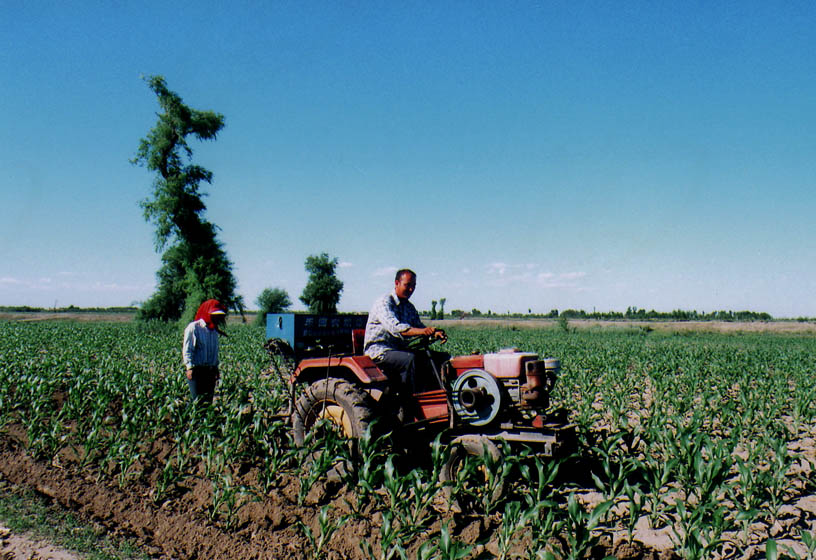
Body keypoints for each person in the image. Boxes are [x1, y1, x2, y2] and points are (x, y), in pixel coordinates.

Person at [364, 269, 448, 393]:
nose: (411, 289)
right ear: (397, 283)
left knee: (439, 358)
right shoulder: (384, 302)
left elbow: (419, 326)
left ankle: (438, 397)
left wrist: (435, 333)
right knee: (410, 360)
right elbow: (396, 328)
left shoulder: (408, 306)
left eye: (413, 286)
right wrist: (423, 331)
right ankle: (409, 404)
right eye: (407, 285)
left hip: (399, 350)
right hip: (379, 351)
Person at [182, 299, 227, 403]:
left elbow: (214, 352)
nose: (216, 318)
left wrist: (216, 367)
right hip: (197, 371)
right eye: (214, 315)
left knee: (208, 402)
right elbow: (188, 349)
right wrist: (189, 367)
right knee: (197, 402)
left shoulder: (214, 331)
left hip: (210, 371)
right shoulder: (194, 328)